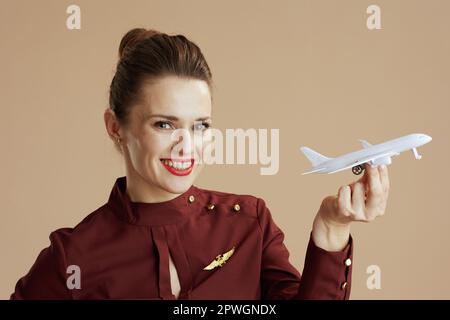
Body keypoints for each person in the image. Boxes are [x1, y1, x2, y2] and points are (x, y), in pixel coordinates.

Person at [10, 28, 389, 300]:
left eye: (200, 125)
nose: (186, 145)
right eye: (164, 124)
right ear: (116, 127)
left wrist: (332, 228)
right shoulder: (72, 258)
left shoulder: (249, 225)